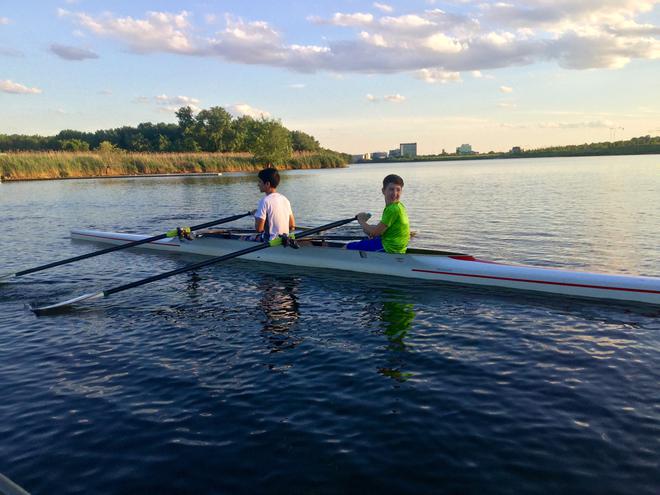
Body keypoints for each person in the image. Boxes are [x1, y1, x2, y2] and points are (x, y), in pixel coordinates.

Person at [347, 174, 410, 253]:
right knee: (367, 235)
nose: (394, 193)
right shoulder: (399, 206)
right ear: (383, 191)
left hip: (389, 248)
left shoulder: (392, 209)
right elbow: (378, 231)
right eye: (391, 189)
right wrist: (367, 227)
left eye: (398, 190)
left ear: (401, 191)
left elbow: (375, 232)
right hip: (397, 246)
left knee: (347, 246)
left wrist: (361, 220)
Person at [254, 167, 295, 241]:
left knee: (242, 239)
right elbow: (292, 226)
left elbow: (259, 229)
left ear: (267, 184)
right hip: (285, 240)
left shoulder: (264, 201)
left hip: (270, 241)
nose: (258, 184)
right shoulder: (285, 199)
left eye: (260, 182)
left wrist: (256, 215)